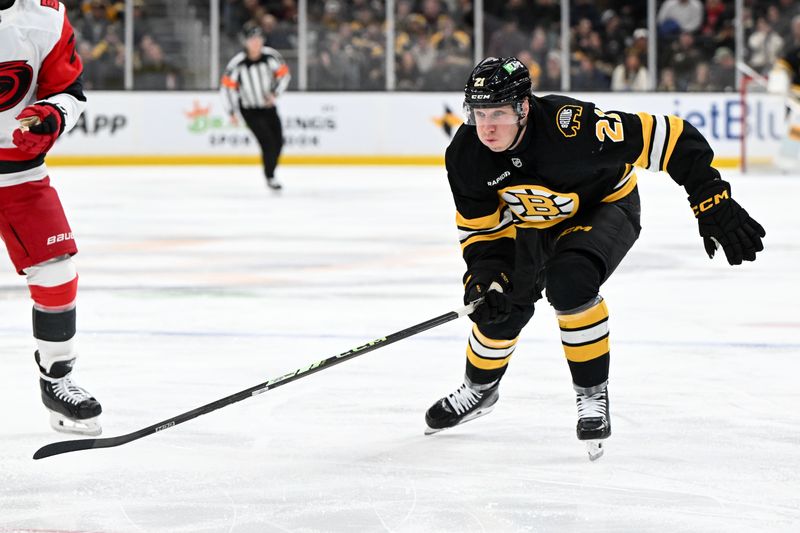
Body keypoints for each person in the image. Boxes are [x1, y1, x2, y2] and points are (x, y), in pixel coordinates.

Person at [424, 57, 765, 459]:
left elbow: (671, 136)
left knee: (570, 282)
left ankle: (591, 394)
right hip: (532, 223)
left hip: (603, 208)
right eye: (479, 113)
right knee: (496, 305)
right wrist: (486, 276)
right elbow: (483, 231)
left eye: (498, 112)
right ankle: (480, 390)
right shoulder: (466, 154)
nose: (487, 126)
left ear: (524, 107)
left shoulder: (572, 128)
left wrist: (711, 200)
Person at [0, 0, 101, 435]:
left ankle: (56, 380)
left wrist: (53, 115)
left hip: (20, 172)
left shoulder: (46, 16)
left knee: (57, 271)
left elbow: (71, 92)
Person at [221, 22, 291, 191]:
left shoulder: (271, 57)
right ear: (245, 42)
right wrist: (231, 111)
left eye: (259, 39)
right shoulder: (237, 64)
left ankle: (271, 172)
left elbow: (284, 75)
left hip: (268, 107)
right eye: (252, 39)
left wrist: (274, 94)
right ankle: (270, 176)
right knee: (267, 142)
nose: (256, 43)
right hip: (249, 110)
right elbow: (227, 89)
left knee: (278, 141)